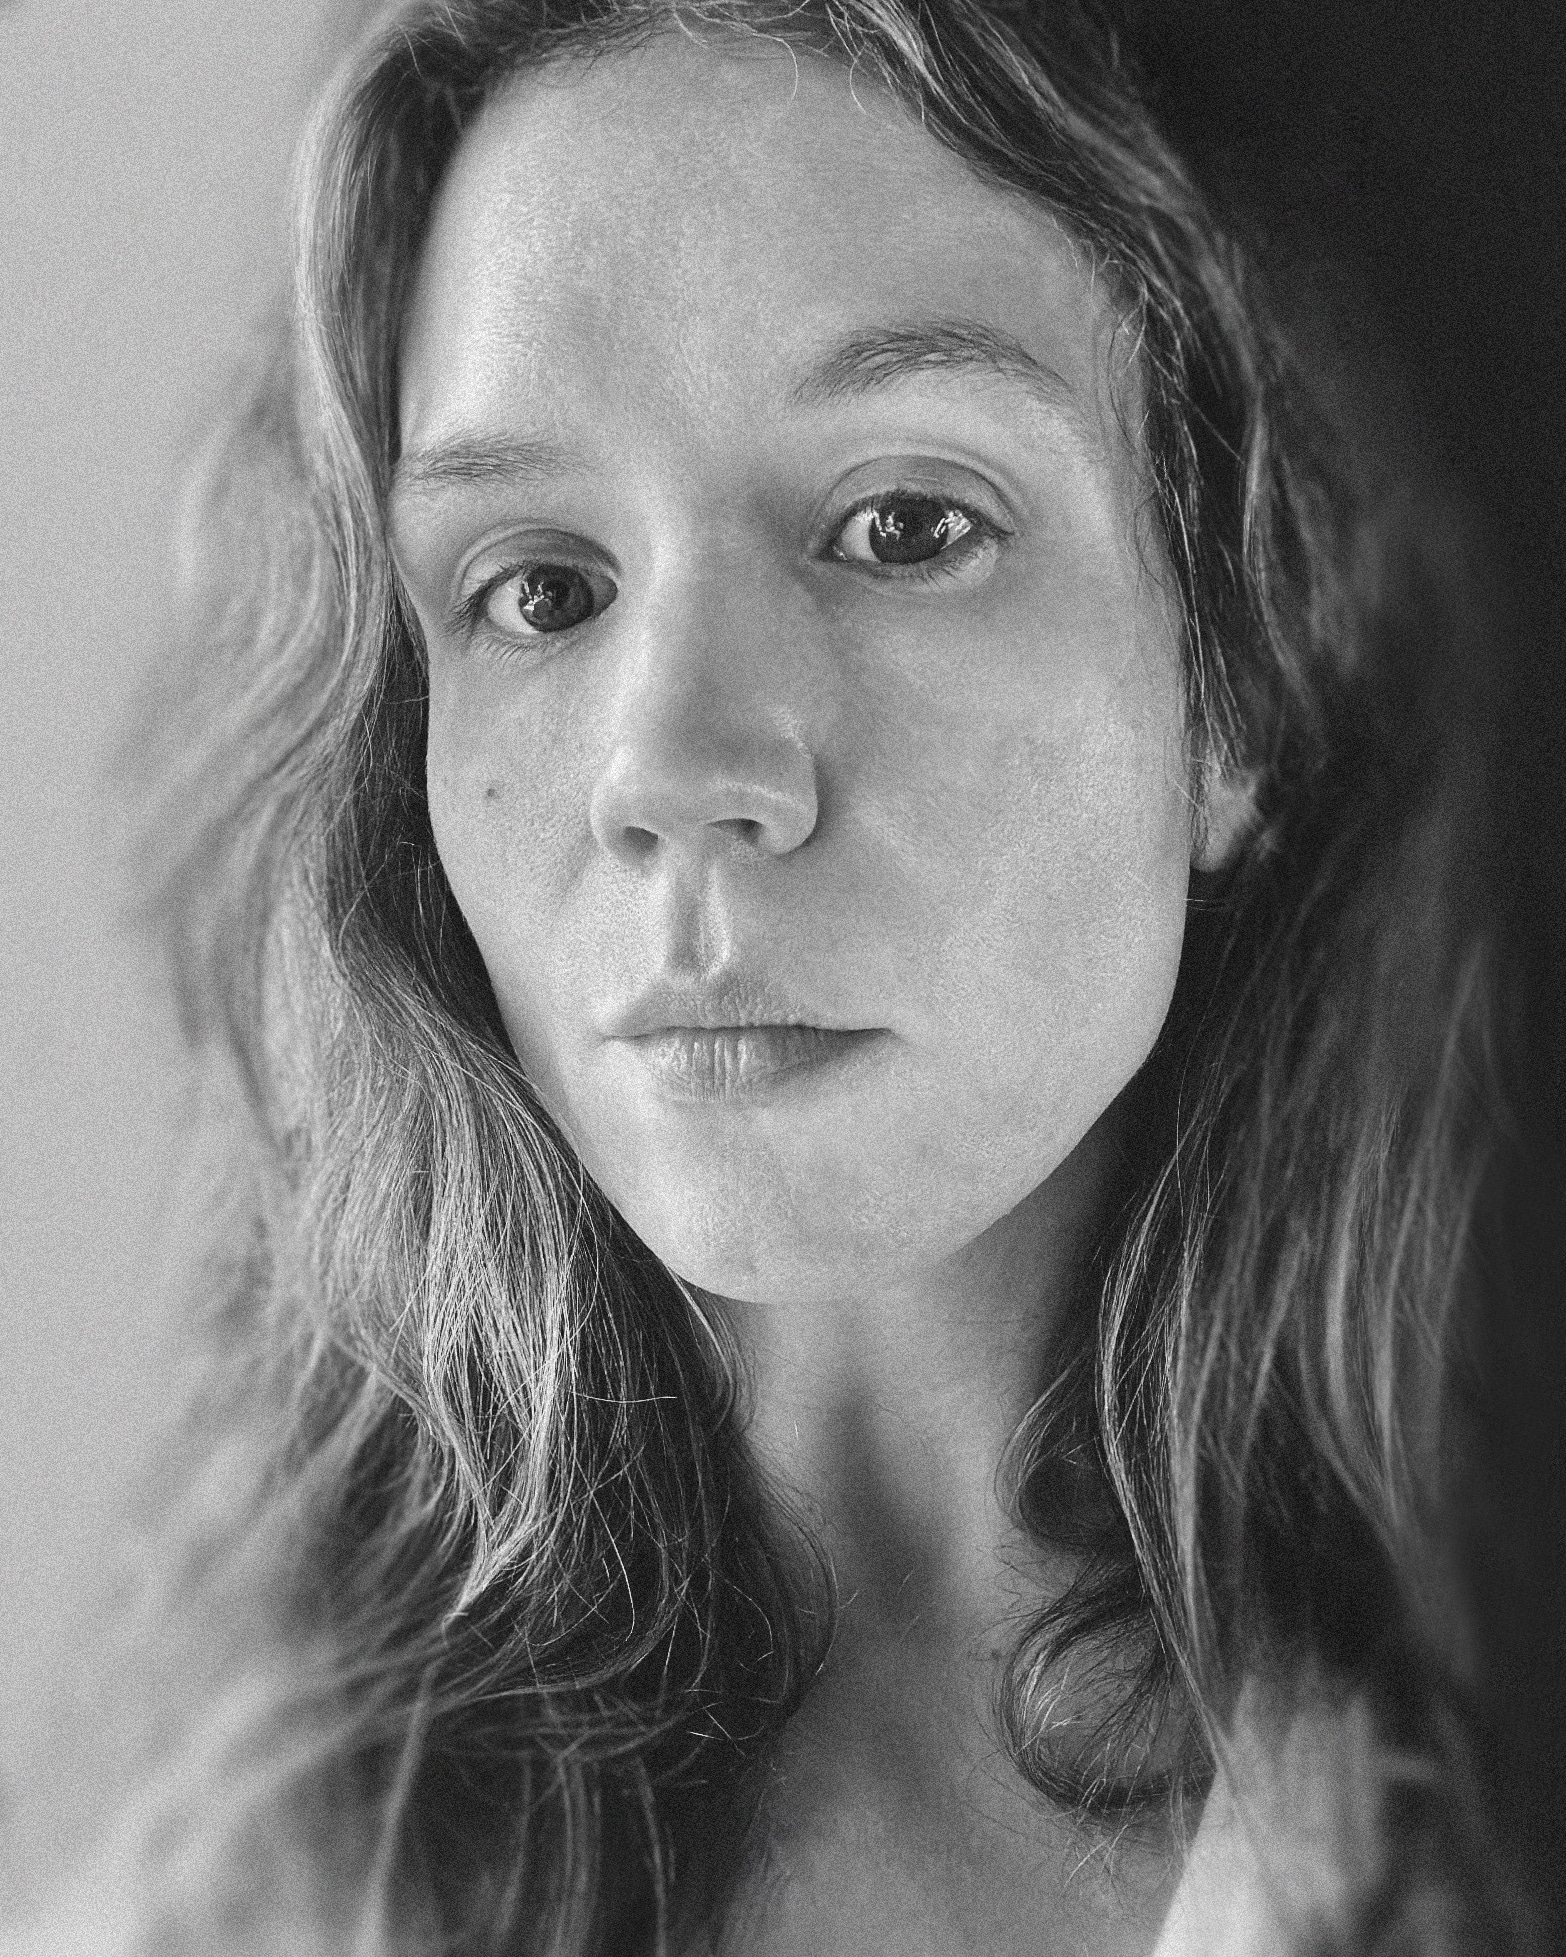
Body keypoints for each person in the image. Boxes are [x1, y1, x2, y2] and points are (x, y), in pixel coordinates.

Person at [63, 0, 1522, 1950]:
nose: (670, 771)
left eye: (906, 526)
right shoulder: (244, 1885)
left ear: (1237, 688)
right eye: (540, 588)